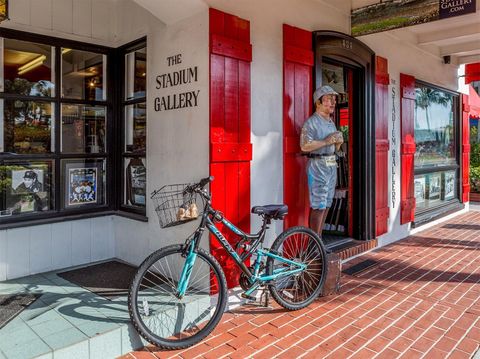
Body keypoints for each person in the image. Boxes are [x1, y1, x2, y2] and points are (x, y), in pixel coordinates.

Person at [300, 85, 343, 237]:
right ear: (318, 102)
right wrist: (326, 141)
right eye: (328, 99)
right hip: (318, 164)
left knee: (327, 202)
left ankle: (319, 239)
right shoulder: (311, 122)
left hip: (330, 163)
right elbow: (305, 145)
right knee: (318, 204)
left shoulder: (330, 122)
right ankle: (315, 244)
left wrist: (337, 142)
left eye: (334, 99)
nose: (333, 102)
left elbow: (336, 147)